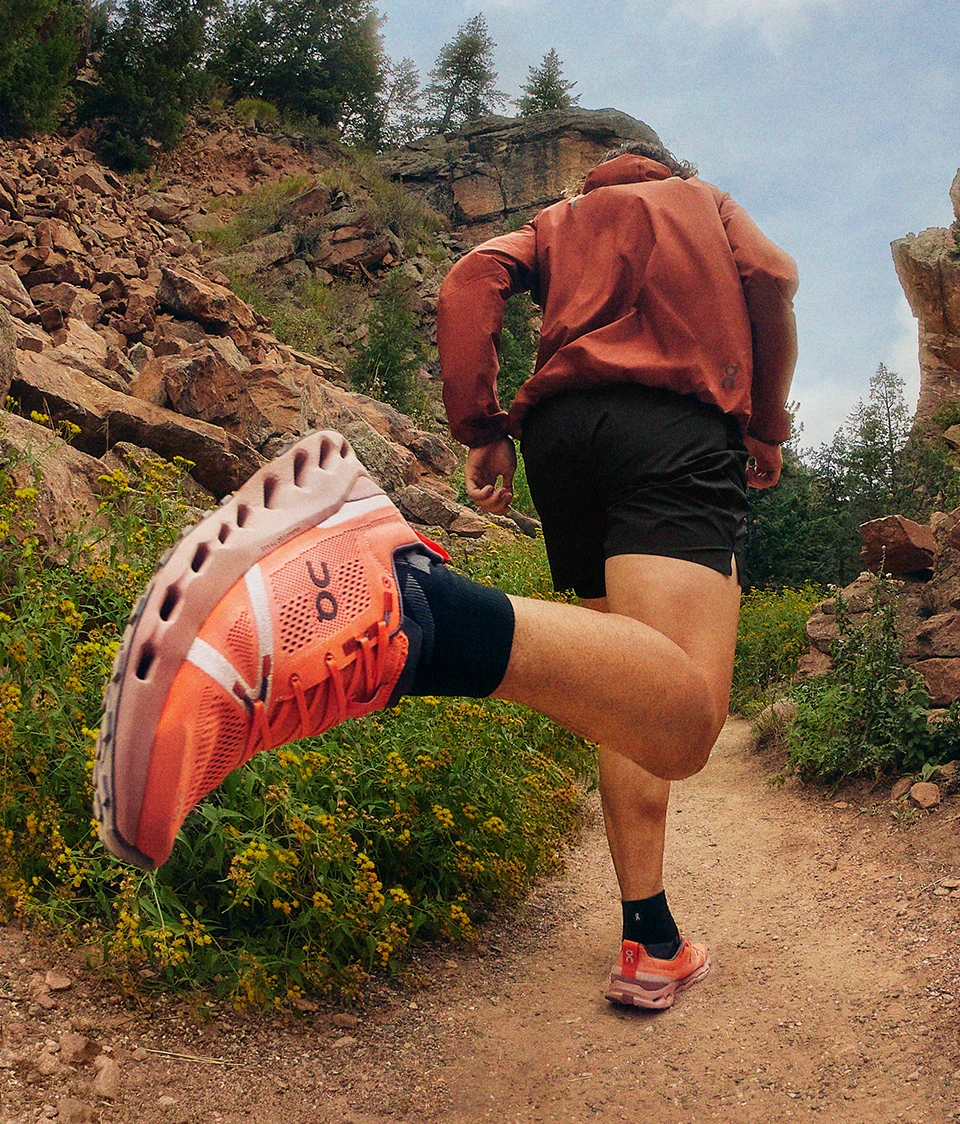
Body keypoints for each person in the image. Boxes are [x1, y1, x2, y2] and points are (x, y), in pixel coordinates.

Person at [93, 133, 797, 1012]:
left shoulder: (561, 219)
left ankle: (650, 938)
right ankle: (414, 604)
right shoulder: (701, 200)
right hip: (674, 427)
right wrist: (766, 422)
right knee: (685, 720)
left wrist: (483, 426)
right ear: (663, 168)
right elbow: (772, 277)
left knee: (626, 686)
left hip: (563, 442)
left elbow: (469, 279)